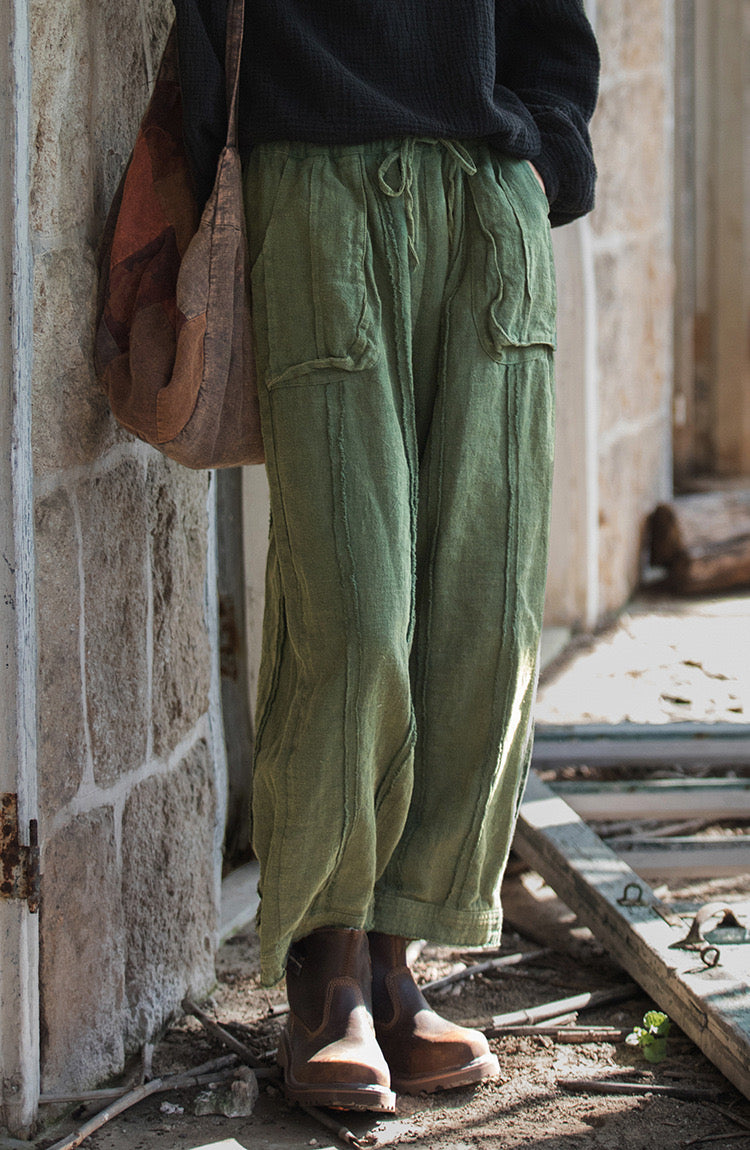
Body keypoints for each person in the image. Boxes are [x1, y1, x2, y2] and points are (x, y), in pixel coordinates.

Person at [175, 0, 599, 1113]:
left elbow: (555, 30)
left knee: (484, 618)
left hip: (488, 197)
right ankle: (325, 972)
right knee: (354, 611)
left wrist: (541, 162)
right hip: (316, 190)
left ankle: (397, 961)